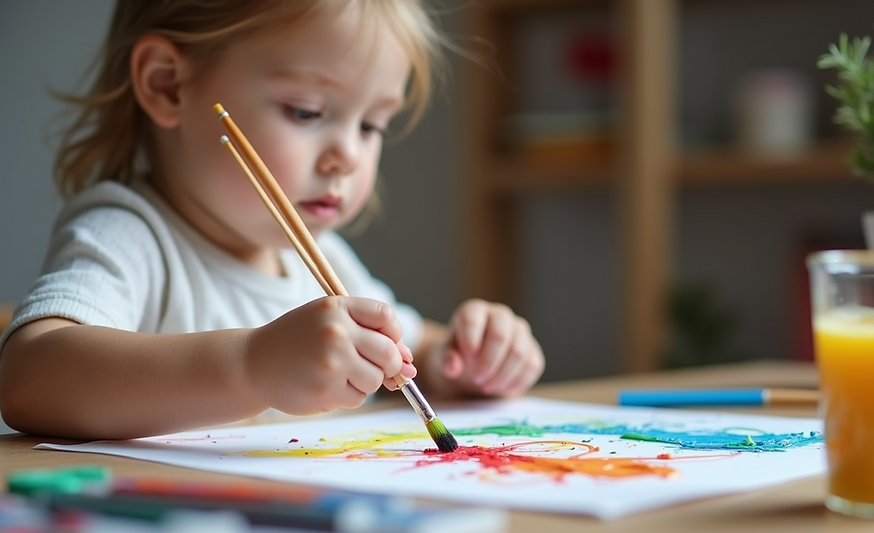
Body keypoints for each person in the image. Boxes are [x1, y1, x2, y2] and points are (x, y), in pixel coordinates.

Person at [0, 0, 545, 440]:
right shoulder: (130, 232)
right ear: (167, 84)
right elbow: (28, 378)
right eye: (306, 111)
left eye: (372, 125)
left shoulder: (319, 258)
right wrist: (252, 366)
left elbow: (408, 347)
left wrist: (462, 356)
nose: (348, 157)